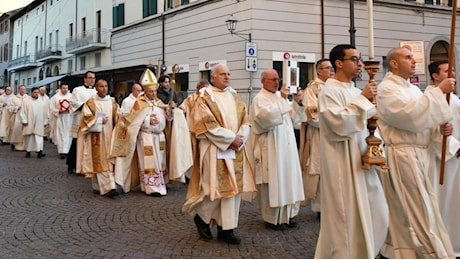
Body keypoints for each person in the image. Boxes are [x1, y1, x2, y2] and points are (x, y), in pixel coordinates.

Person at [377, 47, 455, 258]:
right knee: (418, 210)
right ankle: (430, 254)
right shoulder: (386, 89)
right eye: (408, 57)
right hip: (404, 154)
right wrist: (440, 91)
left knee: (426, 207)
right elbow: (408, 117)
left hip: (420, 154)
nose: (413, 61)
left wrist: (438, 129)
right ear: (393, 63)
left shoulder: (411, 88)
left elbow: (423, 117)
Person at [314, 44, 389, 259]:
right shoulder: (329, 91)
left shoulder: (356, 91)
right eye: (354, 59)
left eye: (360, 59)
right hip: (342, 162)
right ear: (339, 63)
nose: (360, 64)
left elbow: (370, 123)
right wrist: (364, 99)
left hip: (362, 160)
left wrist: (377, 147)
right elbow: (337, 124)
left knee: (378, 211)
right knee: (345, 218)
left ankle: (366, 251)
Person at [182, 64, 256, 245]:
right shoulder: (204, 97)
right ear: (213, 77)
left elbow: (246, 120)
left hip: (234, 149)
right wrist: (231, 138)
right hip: (215, 149)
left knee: (233, 191)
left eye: (228, 74)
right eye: (222, 74)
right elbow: (205, 124)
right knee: (213, 188)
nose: (227, 77)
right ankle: (202, 218)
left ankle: (227, 229)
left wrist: (240, 139)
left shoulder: (234, 95)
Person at [247, 69, 306, 230]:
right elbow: (266, 119)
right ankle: (272, 218)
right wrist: (283, 100)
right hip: (271, 147)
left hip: (287, 147)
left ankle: (288, 215)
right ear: (263, 81)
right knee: (273, 180)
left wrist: (297, 102)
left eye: (277, 79)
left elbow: (295, 120)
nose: (276, 82)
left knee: (288, 179)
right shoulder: (260, 99)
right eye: (273, 79)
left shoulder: (280, 98)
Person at [112, 69, 168, 196]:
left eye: (154, 91)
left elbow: (166, 117)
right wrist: (148, 120)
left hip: (159, 137)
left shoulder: (159, 102)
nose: (153, 94)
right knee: (149, 162)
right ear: (145, 92)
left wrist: (170, 113)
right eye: (150, 91)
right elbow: (134, 121)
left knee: (160, 162)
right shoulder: (139, 103)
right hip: (146, 137)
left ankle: (160, 183)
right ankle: (150, 187)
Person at [425, 60, 460, 258]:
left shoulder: (453, 98)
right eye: (447, 70)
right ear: (436, 76)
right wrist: (455, 147)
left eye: (453, 69)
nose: (453, 72)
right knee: (442, 203)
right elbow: (430, 128)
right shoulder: (430, 98)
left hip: (456, 161)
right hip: (441, 160)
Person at [298, 58, 335, 218]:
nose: (331, 71)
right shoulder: (312, 90)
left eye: (332, 68)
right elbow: (311, 116)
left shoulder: (335, 87)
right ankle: (320, 208)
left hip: (336, 134)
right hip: (320, 135)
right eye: (327, 68)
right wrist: (335, 124)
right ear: (318, 71)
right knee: (320, 169)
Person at [78, 79, 120, 198]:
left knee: (107, 161)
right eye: (101, 86)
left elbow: (117, 116)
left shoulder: (112, 102)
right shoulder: (90, 103)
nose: (104, 89)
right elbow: (85, 120)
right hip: (96, 138)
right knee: (101, 161)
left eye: (106, 86)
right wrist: (100, 121)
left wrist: (120, 118)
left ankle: (97, 185)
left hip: (110, 136)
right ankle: (110, 188)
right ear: (96, 88)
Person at [66, 71, 96, 175]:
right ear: (85, 79)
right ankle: (71, 165)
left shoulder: (96, 91)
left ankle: (85, 166)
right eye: (90, 78)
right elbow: (73, 102)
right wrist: (87, 107)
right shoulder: (77, 90)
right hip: (80, 119)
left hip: (91, 121)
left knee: (88, 145)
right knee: (76, 143)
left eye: (93, 78)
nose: (92, 80)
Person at [20, 87, 48, 158]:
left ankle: (39, 152)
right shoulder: (26, 101)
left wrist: (45, 121)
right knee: (29, 138)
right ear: (31, 93)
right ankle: (28, 152)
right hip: (29, 122)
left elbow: (45, 112)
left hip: (39, 122)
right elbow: (22, 111)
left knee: (39, 138)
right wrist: (24, 120)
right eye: (35, 92)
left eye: (37, 92)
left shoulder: (41, 101)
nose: (36, 94)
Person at [49, 83, 72, 159]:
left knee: (68, 134)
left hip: (69, 118)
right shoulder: (55, 97)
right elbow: (51, 108)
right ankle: (62, 151)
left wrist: (70, 109)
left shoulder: (71, 96)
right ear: (60, 88)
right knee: (61, 134)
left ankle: (68, 150)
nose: (65, 90)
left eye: (66, 88)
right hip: (60, 118)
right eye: (63, 88)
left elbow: (75, 106)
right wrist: (58, 111)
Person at [9, 85, 29, 151]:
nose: (23, 90)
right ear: (19, 90)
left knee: (25, 130)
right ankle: (16, 144)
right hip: (17, 117)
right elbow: (10, 108)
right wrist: (17, 108)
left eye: (24, 89)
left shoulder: (28, 98)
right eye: (21, 89)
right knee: (17, 130)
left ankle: (25, 145)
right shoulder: (14, 98)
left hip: (26, 116)